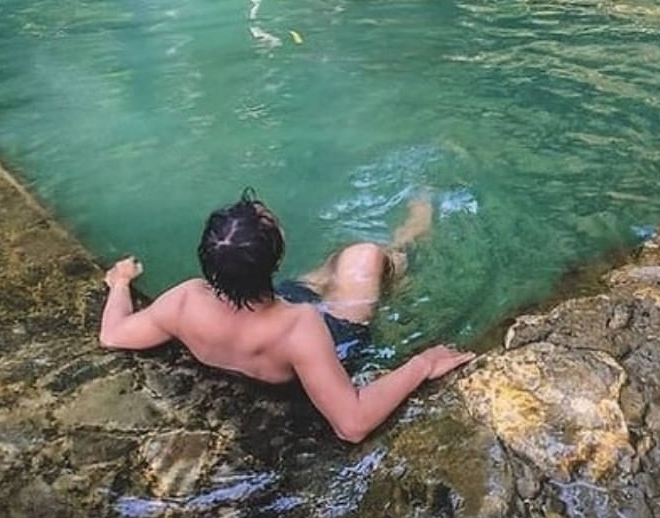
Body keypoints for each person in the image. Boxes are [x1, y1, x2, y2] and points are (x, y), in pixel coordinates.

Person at [99, 188, 474, 442]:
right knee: (367, 256)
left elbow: (113, 334)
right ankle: (409, 240)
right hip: (331, 334)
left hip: (270, 305)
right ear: (276, 258)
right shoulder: (301, 327)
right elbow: (352, 423)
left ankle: (349, 263)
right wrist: (423, 364)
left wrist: (119, 284)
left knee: (336, 268)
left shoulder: (185, 301)